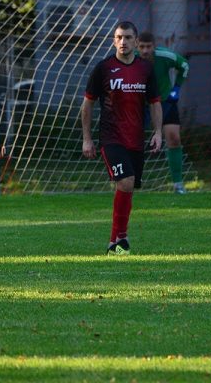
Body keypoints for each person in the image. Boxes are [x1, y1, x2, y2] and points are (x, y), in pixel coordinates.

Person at [81, 21, 162, 256]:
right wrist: (87, 139)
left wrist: (157, 132)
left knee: (128, 188)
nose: (123, 42)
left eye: (127, 38)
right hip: (111, 138)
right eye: (119, 37)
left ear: (136, 42)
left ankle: (119, 239)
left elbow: (155, 103)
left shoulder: (145, 70)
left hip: (135, 139)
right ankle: (116, 241)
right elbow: (87, 105)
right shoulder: (103, 68)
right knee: (125, 181)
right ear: (113, 40)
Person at [136, 32, 190, 194]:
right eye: (142, 47)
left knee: (174, 138)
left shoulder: (165, 56)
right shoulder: (130, 58)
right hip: (141, 104)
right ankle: (127, 181)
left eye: (148, 47)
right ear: (137, 46)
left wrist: (177, 87)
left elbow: (185, 65)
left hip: (165, 101)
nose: (145, 51)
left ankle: (178, 184)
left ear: (154, 46)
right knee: (131, 141)